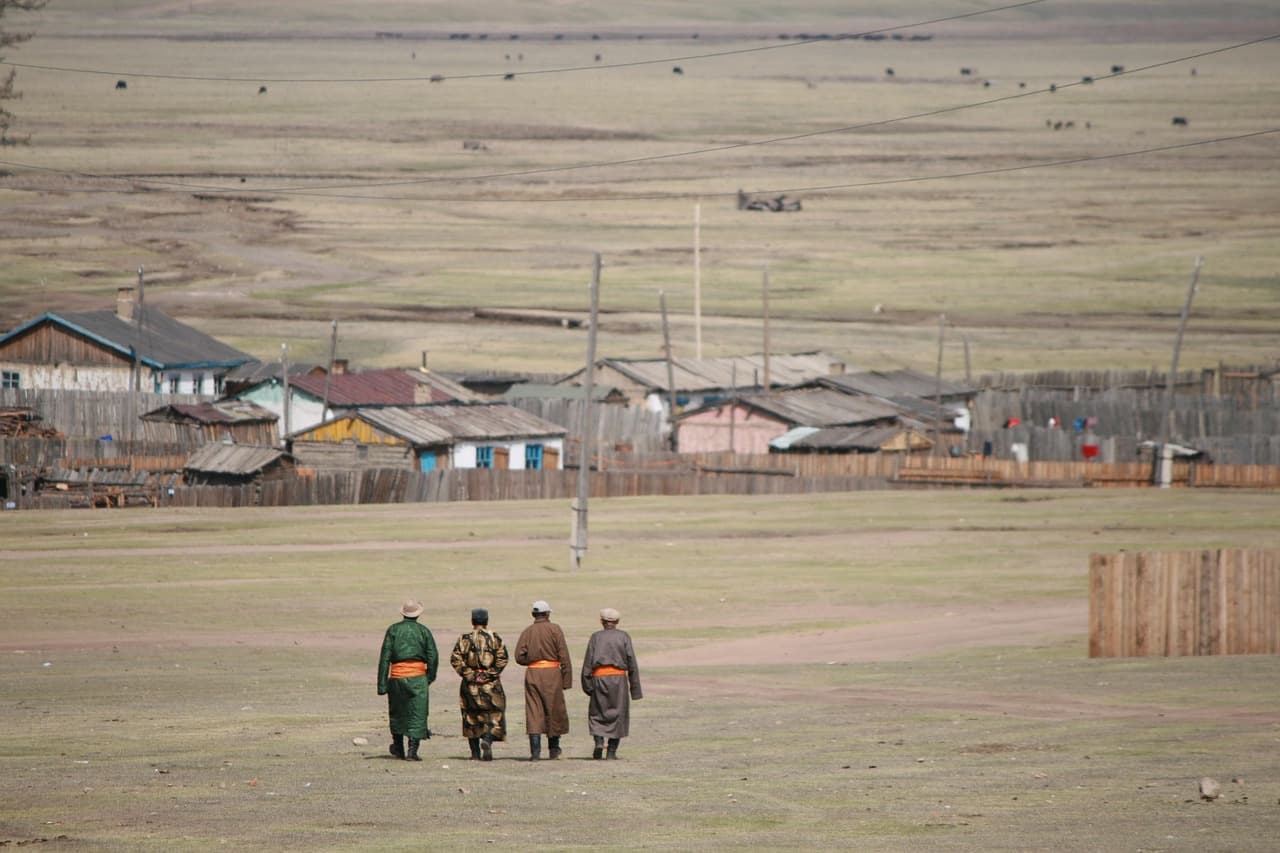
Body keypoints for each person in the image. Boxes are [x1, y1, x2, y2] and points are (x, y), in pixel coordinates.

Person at [376, 599, 439, 761]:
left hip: (396, 677)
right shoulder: (423, 631)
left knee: (397, 712)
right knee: (418, 713)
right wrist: (429, 677)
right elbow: (433, 656)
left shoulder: (393, 630)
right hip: (418, 677)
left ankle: (398, 748)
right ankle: (412, 751)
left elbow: (385, 658)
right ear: (418, 614)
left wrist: (382, 684)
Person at [580, 607, 642, 760]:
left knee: (597, 713)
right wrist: (635, 690)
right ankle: (611, 752)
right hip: (619, 681)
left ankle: (599, 742)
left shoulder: (595, 637)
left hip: (599, 679)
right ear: (617, 622)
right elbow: (632, 663)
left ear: (602, 622)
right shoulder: (624, 636)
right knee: (618, 715)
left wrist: (588, 686)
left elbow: (588, 663)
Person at [514, 599, 572, 760]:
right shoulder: (555, 629)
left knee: (534, 711)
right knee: (554, 709)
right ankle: (553, 748)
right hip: (552, 674)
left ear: (533, 614)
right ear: (547, 614)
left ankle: (535, 753)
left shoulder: (528, 631)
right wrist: (566, 680)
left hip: (533, 673)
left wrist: (533, 661)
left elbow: (519, 656)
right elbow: (564, 655)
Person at [449, 607, 508, 761]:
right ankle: (487, 739)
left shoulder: (464, 638)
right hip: (491, 685)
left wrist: (471, 675)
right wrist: (488, 674)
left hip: (470, 685)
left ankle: (475, 753)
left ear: (472, 621)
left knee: (470, 716)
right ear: (486, 621)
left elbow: (456, 659)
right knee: (494, 714)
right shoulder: (495, 638)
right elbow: (503, 659)